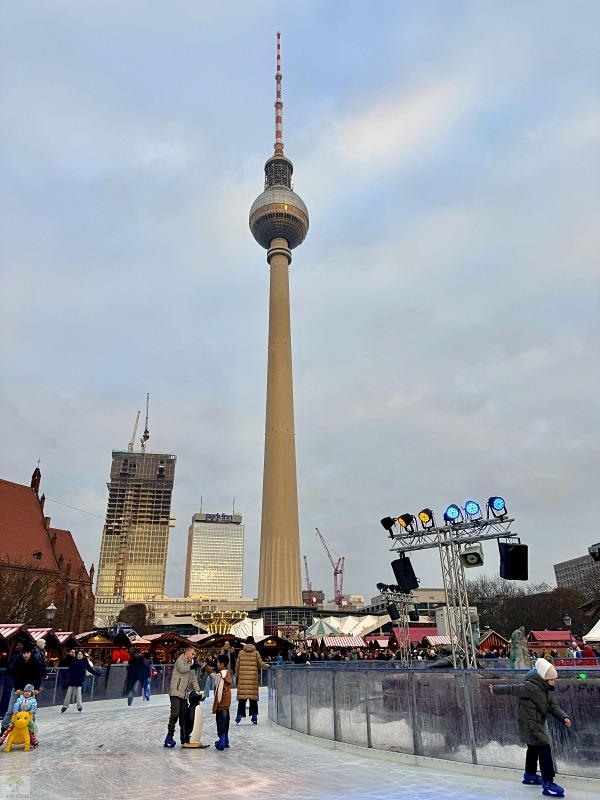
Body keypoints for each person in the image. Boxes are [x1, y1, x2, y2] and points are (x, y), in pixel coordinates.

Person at [489, 657, 571, 797]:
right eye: (551, 679)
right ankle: (548, 783)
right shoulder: (530, 686)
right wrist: (495, 689)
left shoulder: (547, 689)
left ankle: (530, 775)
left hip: (537, 722)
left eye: (554, 680)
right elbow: (512, 689)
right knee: (544, 747)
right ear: (543, 678)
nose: (554, 682)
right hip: (529, 724)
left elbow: (553, 706)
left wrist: (563, 717)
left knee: (533, 748)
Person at [163, 646, 201, 748]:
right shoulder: (180, 660)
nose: (193, 656)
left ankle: (183, 736)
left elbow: (193, 679)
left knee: (183, 716)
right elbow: (182, 669)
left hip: (184, 694)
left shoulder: (191, 664)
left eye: (194, 655)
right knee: (175, 714)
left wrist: (198, 691)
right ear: (187, 652)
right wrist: (191, 667)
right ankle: (169, 736)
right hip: (175, 692)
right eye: (192, 654)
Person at [1, 645, 44, 733]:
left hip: (30, 690)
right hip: (19, 689)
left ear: (30, 653)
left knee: (31, 711)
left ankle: (31, 731)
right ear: (22, 653)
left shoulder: (35, 663)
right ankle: (4, 728)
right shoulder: (18, 662)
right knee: (11, 709)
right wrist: (17, 688)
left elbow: (38, 676)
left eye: (27, 653)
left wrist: (36, 688)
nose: (26, 655)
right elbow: (15, 676)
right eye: (24, 653)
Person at [234, 636, 270, 725]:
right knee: (253, 699)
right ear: (253, 643)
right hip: (252, 679)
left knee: (242, 698)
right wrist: (268, 667)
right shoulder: (256, 653)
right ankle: (254, 716)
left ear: (246, 643)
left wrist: (237, 675)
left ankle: (239, 715)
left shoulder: (241, 653)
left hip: (243, 679)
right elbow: (261, 664)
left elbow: (237, 665)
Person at [205, 653, 232, 750]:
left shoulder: (221, 676)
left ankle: (222, 741)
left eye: (218, 662)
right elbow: (214, 675)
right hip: (226, 703)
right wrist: (206, 667)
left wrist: (216, 703)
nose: (216, 664)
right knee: (225, 723)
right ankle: (226, 740)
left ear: (222, 664)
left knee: (220, 722)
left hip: (221, 703)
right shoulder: (225, 673)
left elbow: (219, 690)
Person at [0, 684, 39, 748]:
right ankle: (3, 737)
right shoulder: (20, 699)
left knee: (31, 727)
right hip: (19, 716)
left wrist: (32, 711)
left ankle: (32, 738)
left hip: (27, 717)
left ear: (31, 693)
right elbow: (16, 704)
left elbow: (34, 706)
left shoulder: (33, 700)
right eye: (25, 691)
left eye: (29, 691)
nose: (27, 693)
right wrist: (15, 710)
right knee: (11, 726)